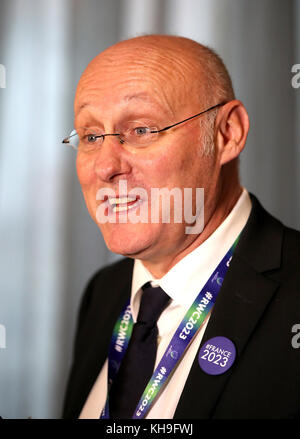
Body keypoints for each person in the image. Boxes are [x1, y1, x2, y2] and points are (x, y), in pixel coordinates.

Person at [62, 34, 300, 419]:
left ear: (227, 134)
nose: (105, 167)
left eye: (141, 130)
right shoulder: (103, 293)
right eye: (91, 136)